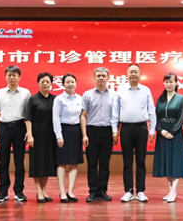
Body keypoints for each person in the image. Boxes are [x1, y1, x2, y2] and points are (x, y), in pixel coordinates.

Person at [111, 64, 156, 203]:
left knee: (141, 161)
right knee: (127, 161)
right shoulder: (121, 90)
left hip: (141, 128)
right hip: (125, 128)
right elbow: (115, 111)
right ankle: (128, 191)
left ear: (140, 74)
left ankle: (141, 191)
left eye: (136, 72)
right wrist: (114, 130)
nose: (133, 74)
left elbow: (151, 111)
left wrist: (152, 129)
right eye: (131, 72)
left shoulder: (146, 90)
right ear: (127, 74)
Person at [0, 65, 31, 203]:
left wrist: (29, 131)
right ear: (6, 77)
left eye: (14, 75)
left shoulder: (26, 93)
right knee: (4, 161)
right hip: (4, 127)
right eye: (9, 75)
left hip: (20, 127)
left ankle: (19, 191)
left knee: (19, 161)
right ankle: (3, 191)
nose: (12, 77)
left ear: (19, 77)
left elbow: (28, 114)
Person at [81, 67, 117, 202]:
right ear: (94, 78)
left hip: (107, 131)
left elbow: (116, 115)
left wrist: (115, 131)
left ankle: (102, 190)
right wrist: (84, 135)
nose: (101, 78)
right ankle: (93, 191)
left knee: (105, 163)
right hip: (92, 131)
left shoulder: (114, 95)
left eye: (103, 76)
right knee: (92, 163)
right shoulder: (87, 95)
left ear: (108, 78)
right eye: (98, 76)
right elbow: (83, 115)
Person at [152, 73, 183, 203]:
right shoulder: (160, 99)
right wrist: (161, 131)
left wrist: (173, 132)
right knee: (166, 162)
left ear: (176, 83)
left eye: (171, 82)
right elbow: (156, 117)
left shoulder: (181, 98)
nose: (169, 84)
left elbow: (181, 117)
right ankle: (170, 190)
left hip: (175, 135)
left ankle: (173, 191)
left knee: (175, 163)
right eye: (166, 82)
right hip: (162, 134)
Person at [25, 72, 58, 203]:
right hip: (37, 136)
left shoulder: (55, 99)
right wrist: (30, 135)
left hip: (50, 136)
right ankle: (38, 191)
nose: (45, 84)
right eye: (42, 81)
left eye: (47, 81)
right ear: (38, 83)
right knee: (37, 163)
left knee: (47, 163)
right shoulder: (33, 99)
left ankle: (43, 190)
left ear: (51, 83)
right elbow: (28, 118)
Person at [53, 73, 84, 203]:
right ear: (63, 84)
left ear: (76, 83)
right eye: (68, 82)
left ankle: (70, 191)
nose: (70, 84)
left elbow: (82, 116)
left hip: (76, 131)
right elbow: (55, 118)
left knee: (74, 163)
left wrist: (83, 134)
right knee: (62, 163)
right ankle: (62, 192)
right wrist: (59, 136)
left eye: (72, 82)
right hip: (63, 131)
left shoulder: (80, 98)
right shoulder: (59, 99)